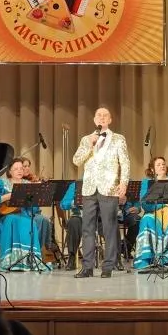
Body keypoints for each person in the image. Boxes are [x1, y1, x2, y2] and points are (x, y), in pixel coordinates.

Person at [72, 107, 130, 278]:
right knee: (87, 228)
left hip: (109, 187)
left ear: (110, 120)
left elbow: (125, 163)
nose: (102, 117)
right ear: (94, 119)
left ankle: (108, 266)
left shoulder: (119, 139)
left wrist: (123, 183)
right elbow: (76, 160)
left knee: (109, 227)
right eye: (99, 115)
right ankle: (87, 267)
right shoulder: (86, 139)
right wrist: (90, 145)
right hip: (90, 188)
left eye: (105, 115)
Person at [0, 159, 45, 271]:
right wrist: (8, 196)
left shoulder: (28, 184)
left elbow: (34, 208)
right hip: (5, 216)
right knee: (12, 219)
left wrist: (35, 197)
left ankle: (28, 260)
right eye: (16, 169)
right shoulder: (1, 182)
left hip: (24, 214)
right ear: (10, 171)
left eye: (21, 168)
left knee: (31, 223)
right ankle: (10, 260)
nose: (19, 171)